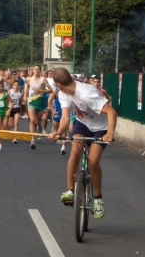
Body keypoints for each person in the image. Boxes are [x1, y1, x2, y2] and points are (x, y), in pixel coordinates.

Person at [48, 67, 117, 219]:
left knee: (93, 162)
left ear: (58, 84)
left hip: (100, 128)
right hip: (82, 123)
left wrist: (110, 133)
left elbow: (112, 112)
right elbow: (65, 118)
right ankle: (70, 191)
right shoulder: (63, 94)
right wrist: (58, 132)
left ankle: (98, 198)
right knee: (75, 149)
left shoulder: (87, 94)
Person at [25, 65, 52, 150]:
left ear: (40, 70)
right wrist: (25, 96)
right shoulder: (29, 79)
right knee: (32, 120)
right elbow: (27, 87)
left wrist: (41, 91)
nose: (36, 70)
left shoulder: (43, 79)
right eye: (35, 69)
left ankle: (38, 125)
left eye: (38, 69)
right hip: (31, 101)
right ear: (33, 70)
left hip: (40, 101)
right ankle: (32, 140)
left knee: (38, 121)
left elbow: (50, 90)